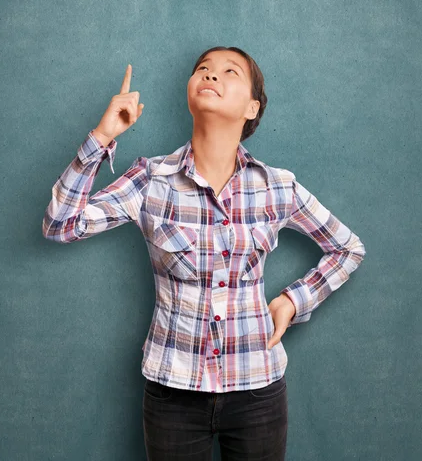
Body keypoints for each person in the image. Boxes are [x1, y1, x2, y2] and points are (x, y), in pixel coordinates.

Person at [42, 46, 366, 460]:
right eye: (203, 70)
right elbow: (59, 225)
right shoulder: (150, 179)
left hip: (258, 393)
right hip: (172, 394)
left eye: (229, 71)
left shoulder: (277, 186)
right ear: (190, 91)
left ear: (252, 108)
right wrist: (102, 137)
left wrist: (292, 301)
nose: (211, 76)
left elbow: (347, 247)